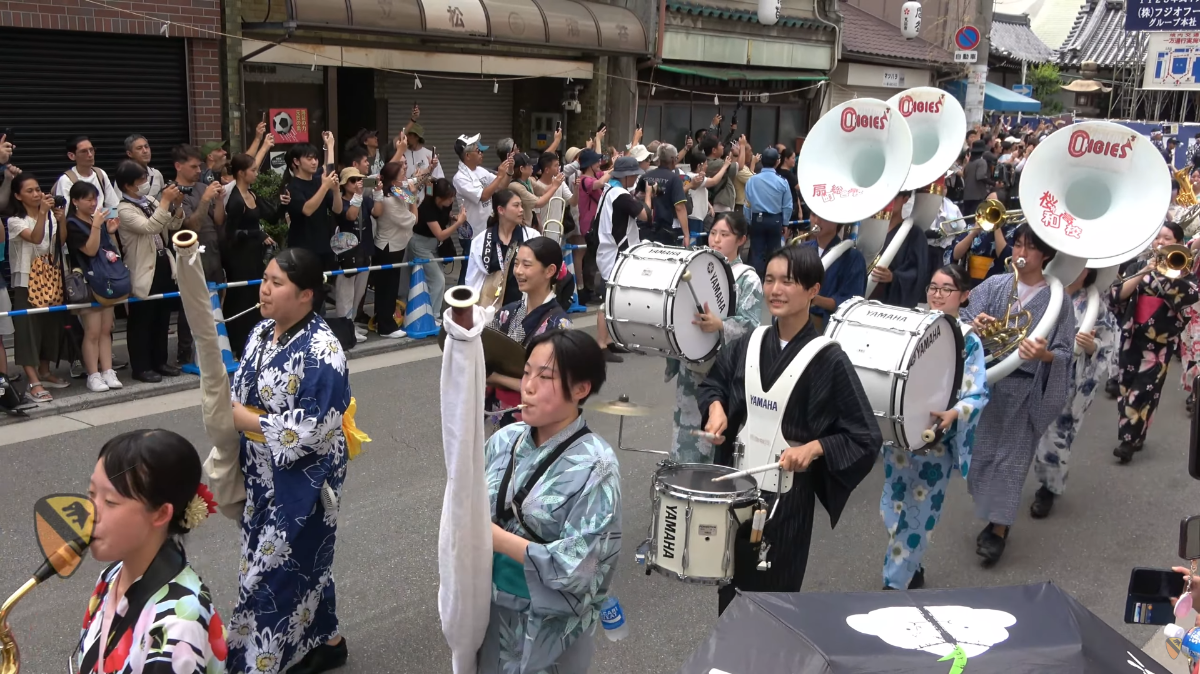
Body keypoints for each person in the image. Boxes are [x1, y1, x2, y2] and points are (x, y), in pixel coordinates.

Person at [698, 245, 881, 613]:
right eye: (769, 279)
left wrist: (814, 448)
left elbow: (864, 435)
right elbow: (713, 384)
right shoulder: (748, 343)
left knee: (773, 599)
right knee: (730, 589)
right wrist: (716, 409)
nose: (775, 289)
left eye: (788, 281)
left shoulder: (829, 359)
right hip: (736, 490)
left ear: (814, 290)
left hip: (786, 500)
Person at [227, 248, 352, 674]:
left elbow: (317, 429)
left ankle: (258, 664)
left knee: (271, 577)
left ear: (306, 295)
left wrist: (248, 420)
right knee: (305, 567)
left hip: (303, 487)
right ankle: (329, 641)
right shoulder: (262, 332)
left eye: (277, 283)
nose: (264, 289)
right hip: (261, 477)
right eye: (265, 279)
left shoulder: (324, 350)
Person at [480, 329, 620, 674]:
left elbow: (584, 567)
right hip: (487, 607)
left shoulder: (598, 464)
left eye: (545, 377)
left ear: (581, 389)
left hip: (547, 626)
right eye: (526, 372)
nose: (527, 386)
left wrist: (497, 540)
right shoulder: (503, 440)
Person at [961, 224, 1074, 564]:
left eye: (1030, 247)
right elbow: (963, 315)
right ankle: (992, 512)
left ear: (1046, 254)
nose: (1021, 252)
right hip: (988, 382)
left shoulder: (1058, 300)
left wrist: (1044, 355)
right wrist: (974, 324)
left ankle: (999, 529)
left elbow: (1066, 351)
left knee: (1011, 462)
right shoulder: (996, 284)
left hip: (1026, 388)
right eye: (1018, 244)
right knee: (981, 456)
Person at [73, 429, 226, 673]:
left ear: (161, 513)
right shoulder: (111, 575)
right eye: (91, 494)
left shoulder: (179, 627)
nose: (89, 513)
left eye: (110, 502)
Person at [879, 265, 989, 590]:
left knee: (918, 513)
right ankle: (912, 567)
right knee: (892, 508)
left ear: (964, 295)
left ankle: (893, 586)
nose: (937, 295)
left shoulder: (968, 340)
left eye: (946, 289)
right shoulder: (912, 326)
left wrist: (955, 413)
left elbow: (977, 392)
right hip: (900, 438)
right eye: (933, 287)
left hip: (935, 442)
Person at [667, 212, 763, 464]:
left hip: (722, 373)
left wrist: (720, 324)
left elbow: (751, 327)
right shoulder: (696, 266)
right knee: (685, 433)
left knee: (716, 441)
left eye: (725, 235)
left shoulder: (748, 278)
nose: (716, 240)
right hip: (692, 364)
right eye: (713, 233)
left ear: (741, 239)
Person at [1030, 267, 1118, 517]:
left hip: (1070, 377)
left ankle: (1048, 487)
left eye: (1083, 267)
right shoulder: (1043, 292)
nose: (1077, 270)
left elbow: (1107, 344)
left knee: (1057, 434)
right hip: (1033, 370)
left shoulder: (1095, 305)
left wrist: (1092, 346)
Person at [1110, 222, 1199, 463]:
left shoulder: (1184, 273)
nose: (1160, 242)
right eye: (1157, 237)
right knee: (1126, 387)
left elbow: (1191, 296)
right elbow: (1116, 295)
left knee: (1143, 390)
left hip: (1159, 344)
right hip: (1132, 336)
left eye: (1167, 238)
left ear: (1179, 244)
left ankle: (1127, 441)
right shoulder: (1140, 266)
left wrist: (1166, 274)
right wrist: (1144, 272)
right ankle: (1137, 434)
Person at [486, 238, 573, 427]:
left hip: (536, 418)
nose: (518, 271)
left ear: (549, 271)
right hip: (501, 411)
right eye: (516, 264)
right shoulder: (507, 312)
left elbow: (552, 386)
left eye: (527, 265)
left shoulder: (560, 325)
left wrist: (496, 378)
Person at [115, 160, 185, 383]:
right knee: (142, 319)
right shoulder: (124, 208)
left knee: (162, 316)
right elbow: (149, 227)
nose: (146, 183)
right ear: (128, 185)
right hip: (143, 266)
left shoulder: (151, 201)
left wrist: (177, 206)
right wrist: (164, 202)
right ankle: (141, 367)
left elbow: (171, 225)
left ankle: (160, 361)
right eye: (141, 180)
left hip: (163, 261)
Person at [6, 173, 69, 402]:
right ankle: (33, 380)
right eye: (30, 191)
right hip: (27, 281)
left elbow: (60, 242)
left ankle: (45, 370)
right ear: (17, 195)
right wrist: (43, 214)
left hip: (50, 278)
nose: (36, 194)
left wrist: (60, 219)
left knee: (50, 326)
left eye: (37, 189)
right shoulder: (15, 220)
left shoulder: (50, 214)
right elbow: (34, 237)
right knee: (28, 329)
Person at [223, 153, 285, 358]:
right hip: (238, 257)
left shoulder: (253, 195)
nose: (256, 174)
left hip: (254, 254)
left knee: (254, 298)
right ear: (241, 173)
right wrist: (256, 234)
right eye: (253, 170)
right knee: (240, 298)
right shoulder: (235, 200)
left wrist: (283, 204)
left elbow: (272, 217)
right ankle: (238, 344)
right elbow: (229, 234)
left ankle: (253, 340)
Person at [63, 181, 123, 392]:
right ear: (75, 201)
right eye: (87, 199)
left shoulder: (94, 219)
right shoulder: (72, 223)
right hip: (87, 281)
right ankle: (93, 374)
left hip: (106, 278)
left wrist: (111, 231)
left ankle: (108, 370)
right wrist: (98, 225)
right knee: (93, 331)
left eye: (95, 198)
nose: (93, 203)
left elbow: (107, 251)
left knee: (106, 329)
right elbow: (89, 250)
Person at [594, 156, 652, 362]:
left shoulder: (610, 189)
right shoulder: (620, 194)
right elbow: (647, 216)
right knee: (607, 299)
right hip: (615, 252)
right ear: (626, 176)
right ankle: (601, 344)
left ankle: (609, 340)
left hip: (609, 249)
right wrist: (648, 197)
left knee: (612, 298)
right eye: (634, 174)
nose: (636, 177)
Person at [466, 189, 540, 308]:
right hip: (490, 308)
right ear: (501, 210)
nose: (521, 210)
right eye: (516, 205)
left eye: (521, 205)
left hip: (524, 306)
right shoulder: (481, 241)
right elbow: (473, 279)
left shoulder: (532, 236)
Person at [333, 166, 383, 342]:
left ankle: (350, 324)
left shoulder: (366, 200)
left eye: (359, 180)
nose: (356, 183)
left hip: (365, 250)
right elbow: (351, 216)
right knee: (345, 294)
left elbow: (377, 212)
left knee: (359, 293)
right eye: (352, 180)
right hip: (347, 254)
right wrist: (358, 196)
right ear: (344, 184)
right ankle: (344, 329)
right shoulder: (340, 202)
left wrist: (377, 193)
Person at [282, 133, 343, 270]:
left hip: (323, 247)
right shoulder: (292, 187)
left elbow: (337, 209)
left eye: (315, 158)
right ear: (296, 162)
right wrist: (325, 186)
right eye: (309, 159)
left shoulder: (318, 182)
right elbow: (307, 210)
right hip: (302, 249)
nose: (314, 162)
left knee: (323, 289)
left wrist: (336, 191)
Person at [453, 133, 514, 262]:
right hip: (472, 233)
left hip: (486, 228)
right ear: (468, 155)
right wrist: (499, 176)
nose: (481, 153)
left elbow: (502, 186)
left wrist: (509, 171)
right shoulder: (460, 178)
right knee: (469, 270)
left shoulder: (481, 170)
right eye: (477, 150)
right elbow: (484, 196)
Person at [802, 212, 866, 331]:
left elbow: (851, 302)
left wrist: (815, 299)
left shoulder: (853, 258)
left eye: (822, 216)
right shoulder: (803, 249)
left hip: (827, 326)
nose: (816, 221)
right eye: (813, 215)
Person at [411, 179, 465, 321]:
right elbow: (440, 234)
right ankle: (433, 316)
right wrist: (458, 223)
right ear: (439, 198)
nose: (452, 200)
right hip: (420, 244)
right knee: (438, 280)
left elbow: (429, 184)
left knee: (437, 279)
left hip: (434, 245)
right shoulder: (427, 207)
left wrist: (453, 217)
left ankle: (432, 312)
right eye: (449, 198)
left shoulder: (442, 201)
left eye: (453, 196)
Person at [869, 191, 928, 309]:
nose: (888, 201)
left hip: (891, 304)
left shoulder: (914, 234)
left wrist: (894, 277)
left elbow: (917, 273)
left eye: (893, 196)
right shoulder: (868, 229)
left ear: (905, 199)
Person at [743, 147, 792, 277]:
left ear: (762, 161)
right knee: (774, 253)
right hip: (775, 220)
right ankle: (771, 279)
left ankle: (755, 281)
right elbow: (787, 206)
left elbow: (747, 204)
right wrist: (785, 223)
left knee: (756, 252)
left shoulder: (752, 180)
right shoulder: (782, 182)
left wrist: (749, 220)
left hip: (756, 219)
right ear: (777, 162)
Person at [946, 199, 1019, 283]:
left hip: (996, 282)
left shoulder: (1011, 231)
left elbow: (1005, 257)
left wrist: (997, 225)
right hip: (970, 282)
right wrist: (973, 233)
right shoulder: (971, 228)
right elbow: (955, 255)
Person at [641, 143, 691, 246]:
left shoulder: (645, 176)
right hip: (664, 230)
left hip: (644, 228)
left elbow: (637, 197)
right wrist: (686, 235)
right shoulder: (675, 179)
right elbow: (680, 207)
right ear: (673, 159)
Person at [53, 136, 119, 210]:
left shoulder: (100, 174)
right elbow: (66, 213)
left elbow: (113, 205)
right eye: (84, 151)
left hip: (103, 220)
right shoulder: (66, 180)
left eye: (91, 150)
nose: (90, 155)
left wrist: (108, 219)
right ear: (72, 156)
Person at [508, 153, 564, 229]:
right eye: (529, 164)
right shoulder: (516, 186)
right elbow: (539, 203)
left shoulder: (528, 180)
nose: (532, 167)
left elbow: (543, 191)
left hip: (527, 224)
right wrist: (554, 186)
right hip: (518, 226)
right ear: (522, 169)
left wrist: (556, 181)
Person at [403, 123, 443, 202]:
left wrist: (429, 193)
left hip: (424, 203)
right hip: (405, 200)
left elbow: (438, 179)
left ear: (417, 137)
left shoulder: (429, 155)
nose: (406, 137)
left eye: (410, 134)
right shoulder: (402, 154)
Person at [124, 134, 165, 200]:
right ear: (129, 153)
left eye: (146, 147)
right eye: (139, 148)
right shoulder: (124, 176)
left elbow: (163, 200)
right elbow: (116, 203)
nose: (145, 151)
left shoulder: (157, 174)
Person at [961, 140, 992, 217]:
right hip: (977, 196)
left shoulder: (968, 164)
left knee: (967, 218)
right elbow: (980, 176)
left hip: (967, 196)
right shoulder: (982, 162)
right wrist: (993, 183)